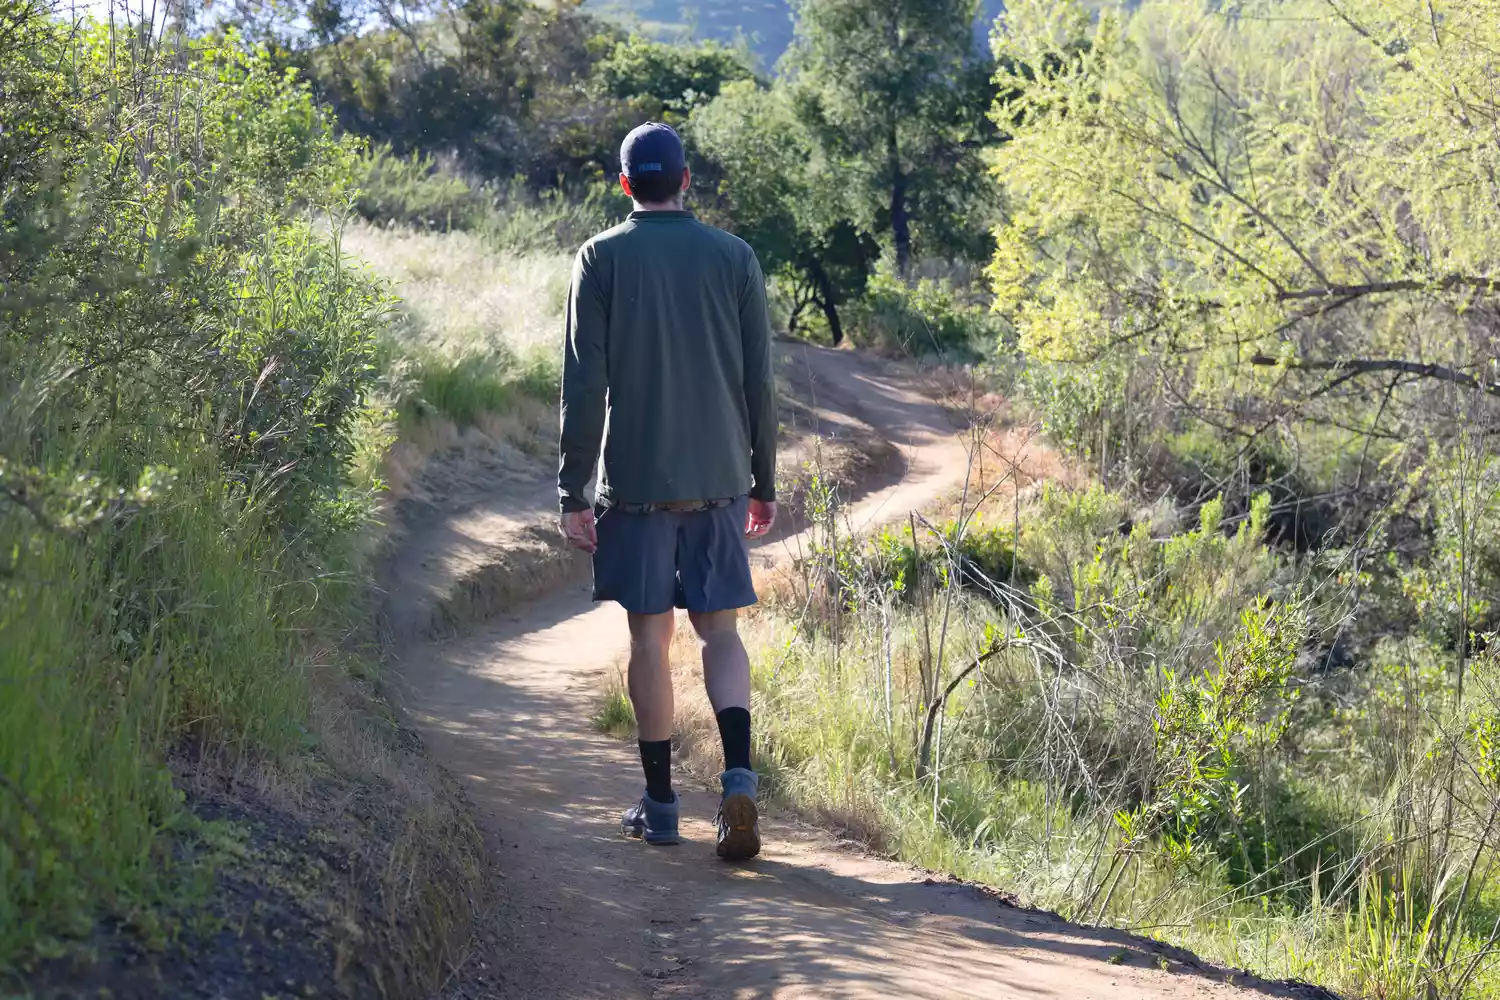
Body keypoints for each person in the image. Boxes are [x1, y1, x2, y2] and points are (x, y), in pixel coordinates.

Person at [557, 121, 778, 861]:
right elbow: (759, 384)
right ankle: (738, 779)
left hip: (638, 482)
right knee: (723, 633)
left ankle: (659, 806)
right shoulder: (734, 257)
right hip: (719, 478)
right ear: (686, 180)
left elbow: (585, 384)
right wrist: (763, 480)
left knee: (650, 639)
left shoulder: (601, 258)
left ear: (626, 185)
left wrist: (573, 490)